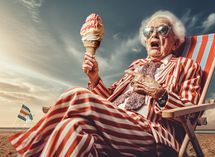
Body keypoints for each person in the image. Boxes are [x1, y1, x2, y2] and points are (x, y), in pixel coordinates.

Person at [9, 10, 202, 157]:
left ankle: (30, 147)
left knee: (76, 95)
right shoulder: (136, 65)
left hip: (151, 132)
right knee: (70, 127)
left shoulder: (186, 66)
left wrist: (160, 93)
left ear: (175, 43)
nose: (153, 35)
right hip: (114, 124)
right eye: (148, 31)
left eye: (162, 30)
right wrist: (95, 79)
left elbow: (191, 112)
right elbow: (109, 99)